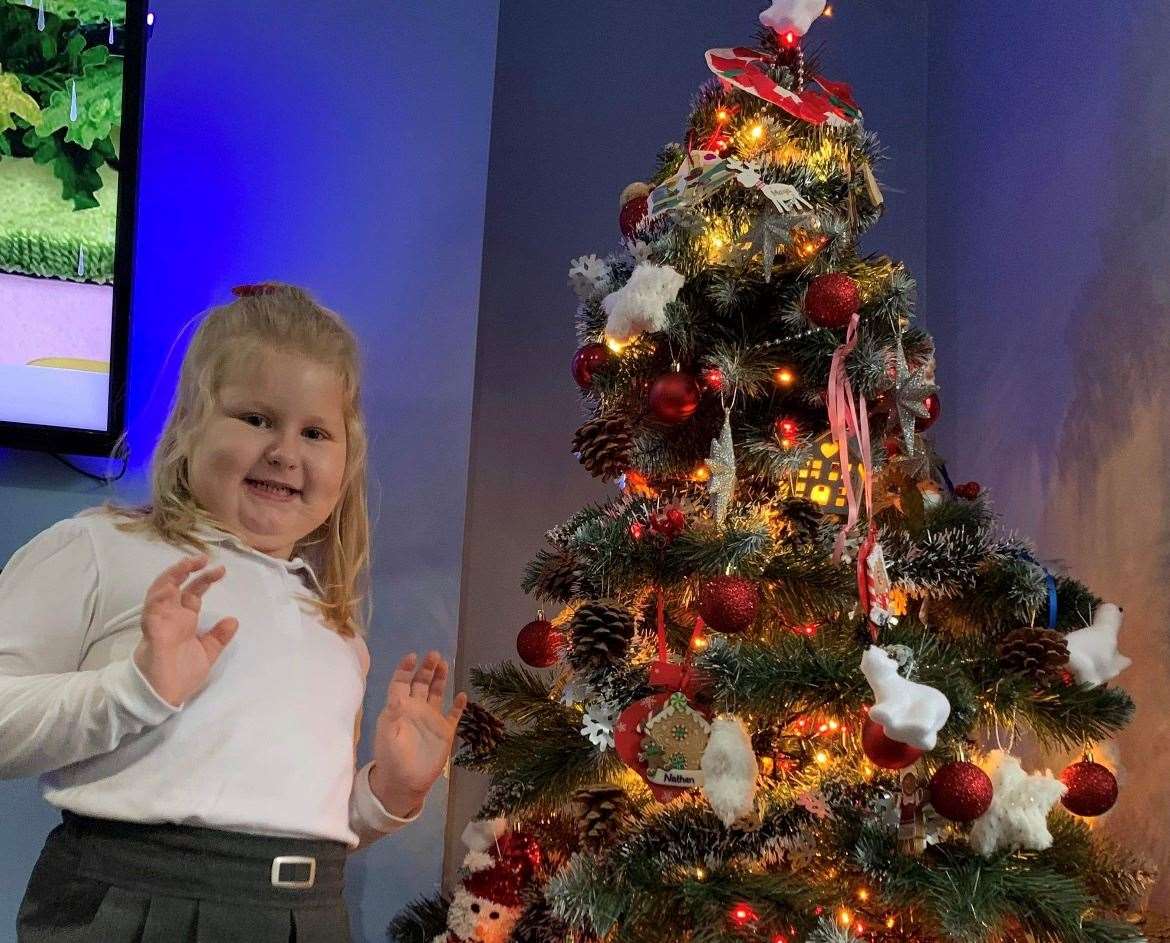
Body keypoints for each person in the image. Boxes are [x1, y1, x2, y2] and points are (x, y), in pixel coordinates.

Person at [0, 283, 467, 941]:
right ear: (189, 422)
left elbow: (295, 818)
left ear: (346, 460)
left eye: (314, 431)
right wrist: (136, 691)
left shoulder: (333, 627)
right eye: (255, 418)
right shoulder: (99, 550)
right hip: (135, 904)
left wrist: (390, 793)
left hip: (308, 917)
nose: (285, 450)